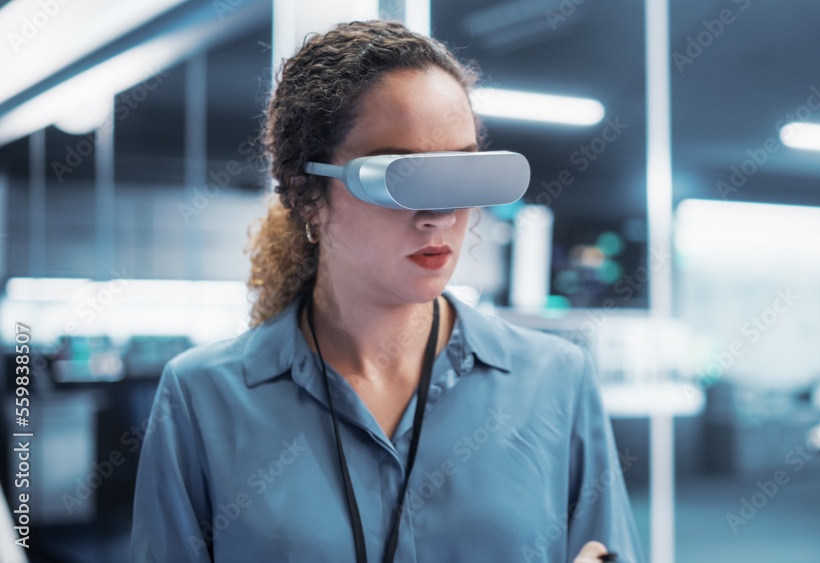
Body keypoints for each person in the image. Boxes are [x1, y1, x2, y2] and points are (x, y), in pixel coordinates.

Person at [130, 19, 642, 563]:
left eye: (461, 173)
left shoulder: (555, 382)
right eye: (401, 176)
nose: (441, 215)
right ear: (308, 193)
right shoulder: (202, 401)